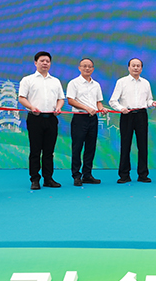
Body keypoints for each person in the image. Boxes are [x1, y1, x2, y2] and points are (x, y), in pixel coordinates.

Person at [18, 51, 65, 190]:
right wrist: (31, 107)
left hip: (51, 118)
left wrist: (58, 107)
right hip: (35, 119)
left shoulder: (55, 81)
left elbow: (61, 98)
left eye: (47, 61)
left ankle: (48, 178)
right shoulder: (28, 80)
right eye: (42, 61)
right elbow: (21, 98)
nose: (45, 63)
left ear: (50, 64)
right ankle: (34, 179)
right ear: (35, 63)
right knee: (35, 150)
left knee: (49, 151)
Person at [109, 58, 156, 183]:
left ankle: (143, 174)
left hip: (142, 115)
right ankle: (124, 175)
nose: (136, 68)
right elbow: (113, 101)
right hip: (127, 115)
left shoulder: (146, 83)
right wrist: (121, 108)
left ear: (141, 68)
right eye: (133, 65)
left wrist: (152, 103)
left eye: (138, 66)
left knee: (143, 145)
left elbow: (148, 100)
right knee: (125, 145)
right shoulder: (122, 82)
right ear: (129, 67)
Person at [67, 57, 105, 186]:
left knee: (90, 147)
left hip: (93, 118)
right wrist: (86, 108)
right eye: (84, 66)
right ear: (79, 68)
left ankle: (87, 175)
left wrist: (101, 108)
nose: (87, 68)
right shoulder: (74, 83)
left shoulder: (96, 85)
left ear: (93, 69)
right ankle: (76, 175)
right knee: (77, 147)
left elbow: (98, 102)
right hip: (79, 118)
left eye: (90, 66)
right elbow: (70, 100)